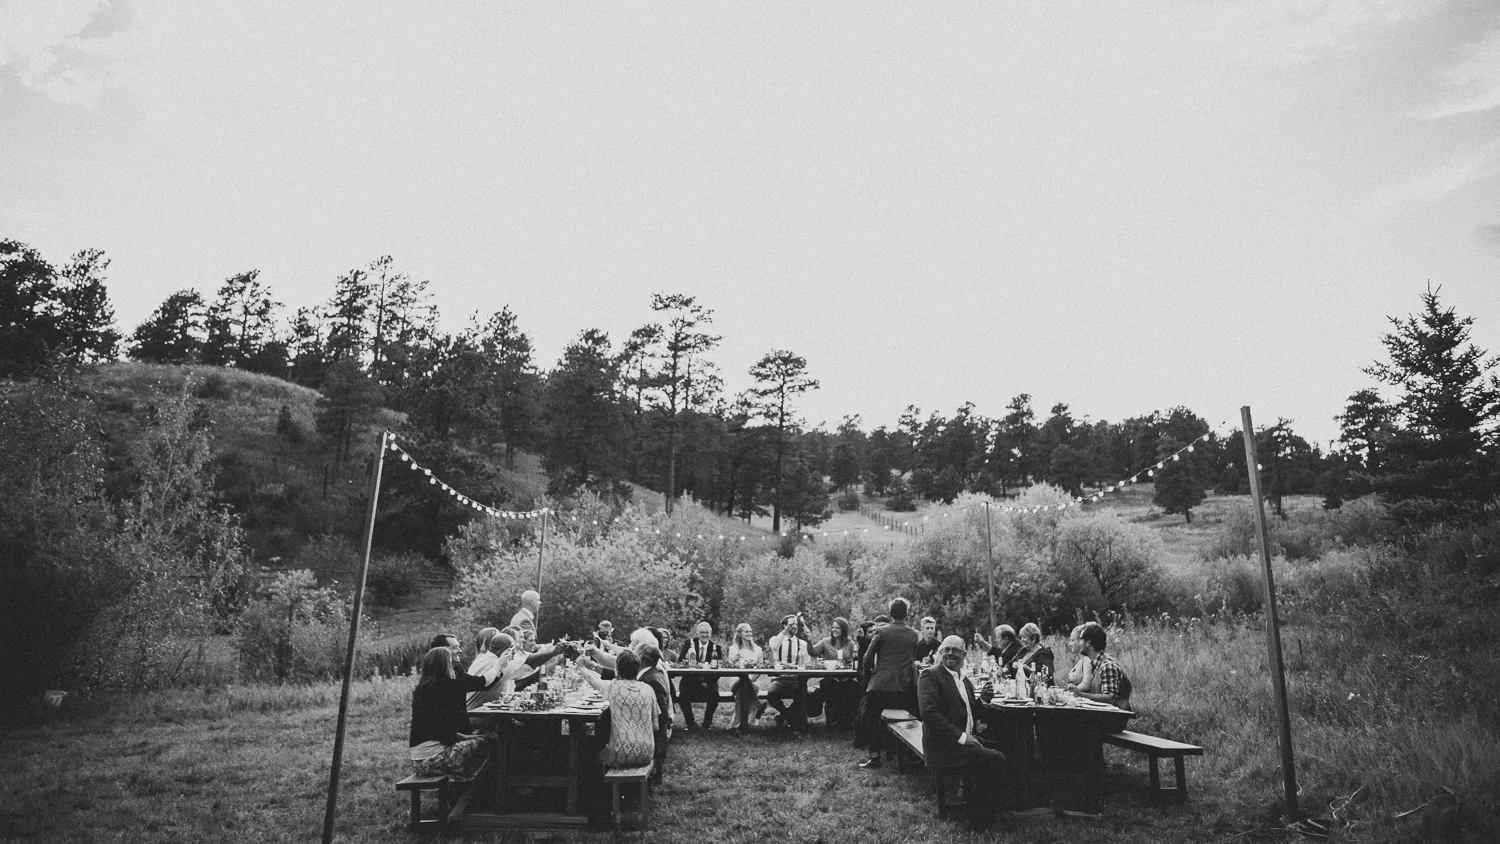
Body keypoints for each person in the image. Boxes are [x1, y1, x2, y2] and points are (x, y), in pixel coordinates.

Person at [918, 636, 1006, 831]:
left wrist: (983, 700)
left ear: (964, 655)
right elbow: (929, 713)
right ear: (940, 653)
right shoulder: (930, 675)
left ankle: (997, 805)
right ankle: (978, 818)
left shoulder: (963, 680)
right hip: (944, 746)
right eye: (946, 649)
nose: (950, 653)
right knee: (996, 759)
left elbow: (969, 713)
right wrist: (963, 738)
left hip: (962, 740)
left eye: (955, 650)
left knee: (1009, 749)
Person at [408, 647, 497, 780]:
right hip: (433, 759)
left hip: (420, 759)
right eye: (450, 663)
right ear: (443, 667)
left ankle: (471, 784)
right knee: (491, 741)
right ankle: (474, 787)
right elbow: (444, 734)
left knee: (481, 738)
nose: (453, 668)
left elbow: (440, 729)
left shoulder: (425, 689)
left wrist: (466, 737)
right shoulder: (446, 687)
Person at [855, 598, 919, 767]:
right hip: (905, 686)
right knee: (916, 715)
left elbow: (867, 657)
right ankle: (912, 753)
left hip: (881, 685)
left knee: (869, 716)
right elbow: (912, 659)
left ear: (891, 613)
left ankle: (875, 757)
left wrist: (868, 673)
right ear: (906, 614)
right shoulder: (914, 634)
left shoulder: (882, 632)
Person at [578, 650, 658, 770]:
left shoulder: (612, 687)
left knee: (595, 750)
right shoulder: (649, 689)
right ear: (638, 669)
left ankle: (595, 779)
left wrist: (581, 666)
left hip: (620, 753)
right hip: (647, 753)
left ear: (617, 669)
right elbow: (655, 726)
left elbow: (592, 680)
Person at [1067, 622, 1131, 710]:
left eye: (1080, 639)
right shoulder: (1095, 664)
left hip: (1116, 715)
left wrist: (1082, 695)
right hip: (1104, 713)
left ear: (1088, 642)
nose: (1079, 643)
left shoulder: (1107, 666)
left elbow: (1110, 698)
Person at [766, 614, 812, 733]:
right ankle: (787, 715)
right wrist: (787, 629)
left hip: (796, 679)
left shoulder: (802, 643)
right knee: (771, 694)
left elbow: (807, 663)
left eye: (796, 624)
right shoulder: (776, 640)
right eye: (791, 624)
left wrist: (799, 667)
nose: (794, 626)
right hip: (780, 679)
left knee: (804, 695)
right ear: (784, 626)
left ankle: (785, 716)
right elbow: (774, 646)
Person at [810, 617, 859, 727]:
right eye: (833, 627)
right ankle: (832, 720)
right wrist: (808, 640)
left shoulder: (850, 643)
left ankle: (845, 720)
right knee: (830, 685)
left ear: (843, 629)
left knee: (853, 687)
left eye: (837, 628)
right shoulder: (825, 642)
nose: (834, 630)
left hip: (846, 677)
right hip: (829, 678)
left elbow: (856, 659)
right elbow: (813, 652)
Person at [636, 642, 672, 785]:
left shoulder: (651, 679)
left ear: (640, 657)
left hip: (652, 737)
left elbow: (662, 715)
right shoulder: (653, 673)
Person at [677, 621, 724, 730]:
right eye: (702, 632)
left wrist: (707, 682)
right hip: (690, 681)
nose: (704, 635)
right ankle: (691, 723)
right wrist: (687, 658)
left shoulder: (716, 647)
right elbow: (680, 662)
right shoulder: (689, 644)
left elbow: (719, 669)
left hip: (708, 682)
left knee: (715, 695)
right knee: (682, 696)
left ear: (710, 633)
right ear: (698, 633)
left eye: (707, 632)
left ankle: (707, 723)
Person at [725, 622, 763, 733]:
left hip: (754, 682)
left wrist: (750, 680)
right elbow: (733, 667)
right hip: (736, 682)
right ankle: (757, 706)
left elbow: (760, 669)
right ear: (740, 634)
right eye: (746, 631)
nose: (749, 633)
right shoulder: (733, 649)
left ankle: (738, 725)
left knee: (744, 689)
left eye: (750, 631)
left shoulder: (758, 650)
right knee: (743, 683)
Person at [1063, 624, 1094, 691]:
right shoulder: (1080, 660)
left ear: (1081, 641)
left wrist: (1069, 692)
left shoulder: (1087, 660)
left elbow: (1086, 684)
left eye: (1072, 640)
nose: (1069, 644)